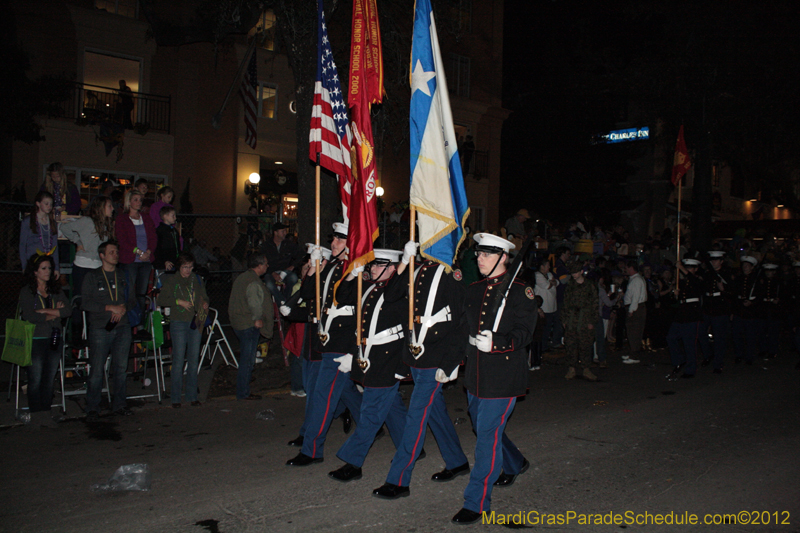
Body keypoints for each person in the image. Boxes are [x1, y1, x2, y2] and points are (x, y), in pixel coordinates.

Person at [450, 233, 535, 525]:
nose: (479, 259)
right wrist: (453, 363)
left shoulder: (521, 292)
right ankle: (515, 462)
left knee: (486, 438)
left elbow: (525, 332)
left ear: (503, 258)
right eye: (479, 254)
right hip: (475, 374)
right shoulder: (474, 290)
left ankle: (477, 502)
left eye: (486, 254)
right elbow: (463, 329)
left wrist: (498, 343)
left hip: (502, 377)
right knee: (482, 426)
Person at [373, 242, 470, 497]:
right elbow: (391, 295)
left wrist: (451, 362)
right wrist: (404, 262)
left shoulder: (450, 273)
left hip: (436, 357)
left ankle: (398, 480)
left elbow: (462, 321)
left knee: (415, 418)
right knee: (434, 411)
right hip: (415, 354)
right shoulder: (416, 269)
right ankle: (457, 460)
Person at [326, 249, 409, 484]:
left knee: (370, 414)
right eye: (372, 265)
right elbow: (341, 296)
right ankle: (410, 448)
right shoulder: (370, 289)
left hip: (388, 360)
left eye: (378, 265)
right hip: (368, 357)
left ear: (392, 268)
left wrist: (403, 365)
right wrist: (353, 273)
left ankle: (353, 462)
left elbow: (407, 331)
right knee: (392, 408)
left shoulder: (400, 292)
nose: (372, 269)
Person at [286, 224, 364, 467]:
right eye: (334, 240)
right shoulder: (330, 266)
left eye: (340, 240)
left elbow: (349, 301)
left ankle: (312, 450)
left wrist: (354, 347)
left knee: (323, 396)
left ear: (350, 243)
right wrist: (313, 268)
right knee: (346, 393)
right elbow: (309, 293)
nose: (333, 244)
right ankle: (375, 425)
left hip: (342, 342)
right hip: (326, 338)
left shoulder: (354, 268)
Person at [81, 241, 137, 420]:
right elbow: (85, 302)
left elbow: (133, 299)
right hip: (100, 328)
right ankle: (93, 407)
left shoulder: (123, 275)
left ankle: (119, 404)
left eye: (117, 251)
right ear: (102, 256)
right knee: (97, 369)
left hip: (122, 327)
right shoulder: (92, 276)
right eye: (111, 252)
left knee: (120, 368)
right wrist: (108, 307)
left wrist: (123, 307)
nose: (116, 254)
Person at [18, 254, 70, 427]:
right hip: (36, 338)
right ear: (35, 272)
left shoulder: (56, 289)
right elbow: (30, 316)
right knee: (35, 378)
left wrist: (45, 311)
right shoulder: (27, 291)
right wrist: (54, 311)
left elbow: (67, 310)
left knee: (49, 378)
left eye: (49, 268)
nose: (48, 271)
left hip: (54, 336)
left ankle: (46, 414)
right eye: (43, 268)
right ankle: (36, 415)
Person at [157, 252, 208, 407]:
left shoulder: (196, 279)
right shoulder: (172, 280)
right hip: (179, 321)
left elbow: (204, 296)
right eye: (185, 267)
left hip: (196, 320)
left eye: (190, 267)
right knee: (179, 359)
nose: (188, 270)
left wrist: (204, 303)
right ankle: (175, 397)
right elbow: (161, 299)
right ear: (179, 267)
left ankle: (192, 396)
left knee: (193, 359)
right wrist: (178, 302)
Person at [228, 252, 274, 400]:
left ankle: (245, 382)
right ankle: (243, 392)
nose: (267, 266)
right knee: (247, 360)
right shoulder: (253, 282)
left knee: (247, 358)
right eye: (265, 264)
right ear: (259, 265)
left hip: (239, 322)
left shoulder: (243, 277)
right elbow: (254, 303)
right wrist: (257, 318)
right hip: (247, 324)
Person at [60, 195, 115, 303]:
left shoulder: (105, 225)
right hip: (83, 266)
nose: (112, 208)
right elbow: (64, 227)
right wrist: (78, 242)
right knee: (81, 299)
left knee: (96, 300)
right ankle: (77, 319)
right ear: (101, 207)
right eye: (109, 206)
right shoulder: (87, 221)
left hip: (98, 266)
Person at [115, 190, 157, 320]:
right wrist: (138, 252)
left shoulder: (146, 218)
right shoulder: (122, 219)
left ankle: (139, 322)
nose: (139, 202)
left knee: (141, 293)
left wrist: (148, 252)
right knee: (129, 292)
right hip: (130, 260)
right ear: (129, 201)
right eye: (135, 199)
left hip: (145, 261)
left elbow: (153, 238)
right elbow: (122, 240)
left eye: (140, 200)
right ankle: (128, 320)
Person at [666, 259, 705, 379]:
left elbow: (696, 284)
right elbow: (673, 301)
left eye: (690, 268)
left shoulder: (698, 279)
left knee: (689, 343)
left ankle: (690, 370)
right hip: (681, 312)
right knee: (670, 337)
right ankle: (679, 360)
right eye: (686, 267)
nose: (687, 270)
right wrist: (675, 294)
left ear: (696, 269)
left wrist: (681, 268)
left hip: (692, 313)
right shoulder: (681, 282)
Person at [563, 261, 599, 381]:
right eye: (572, 272)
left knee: (586, 345)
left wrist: (592, 321)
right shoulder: (570, 285)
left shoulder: (590, 285)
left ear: (581, 272)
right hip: (572, 318)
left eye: (576, 272)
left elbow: (595, 303)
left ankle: (586, 369)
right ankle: (571, 368)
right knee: (570, 345)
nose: (573, 274)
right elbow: (565, 303)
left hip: (585, 318)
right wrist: (564, 319)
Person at [699, 251, 732, 373]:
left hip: (720, 308)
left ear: (721, 261)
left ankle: (718, 363)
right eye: (712, 260)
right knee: (701, 332)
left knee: (719, 338)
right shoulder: (708, 274)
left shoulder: (726, 274)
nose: (713, 262)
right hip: (708, 306)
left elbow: (732, 292)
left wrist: (723, 289)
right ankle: (708, 355)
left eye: (716, 260)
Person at [19, 191, 60, 278]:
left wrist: (56, 267)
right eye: (46, 204)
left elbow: (55, 245)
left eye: (51, 204)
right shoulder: (28, 221)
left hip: (47, 261)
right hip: (33, 261)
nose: (49, 206)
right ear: (38, 204)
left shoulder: (52, 223)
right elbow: (22, 244)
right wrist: (24, 265)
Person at [260, 222, 303, 304]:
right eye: (282, 231)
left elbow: (301, 255)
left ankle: (285, 300)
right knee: (269, 283)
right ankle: (283, 302)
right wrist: (272, 273)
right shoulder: (266, 245)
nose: (285, 233)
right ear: (275, 232)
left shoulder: (289, 244)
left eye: (285, 231)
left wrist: (292, 266)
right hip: (271, 271)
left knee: (293, 278)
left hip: (286, 271)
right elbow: (262, 261)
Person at [731, 256, 759, 364]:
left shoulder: (755, 279)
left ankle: (749, 356)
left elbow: (760, 296)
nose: (745, 268)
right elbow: (734, 296)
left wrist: (752, 303)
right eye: (744, 265)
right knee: (736, 334)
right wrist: (733, 311)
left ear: (752, 267)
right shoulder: (739, 279)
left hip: (750, 311)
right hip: (739, 310)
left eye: (747, 266)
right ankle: (739, 354)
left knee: (750, 336)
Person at [754, 263, 782, 360]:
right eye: (766, 271)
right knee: (762, 330)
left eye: (770, 271)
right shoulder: (762, 282)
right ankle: (763, 349)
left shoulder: (778, 282)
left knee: (772, 331)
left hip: (774, 309)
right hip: (763, 308)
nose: (768, 273)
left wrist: (778, 301)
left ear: (774, 272)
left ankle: (772, 350)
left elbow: (784, 295)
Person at [622, 259, 646, 363]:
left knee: (634, 331)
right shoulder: (634, 279)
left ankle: (634, 355)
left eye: (626, 268)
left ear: (631, 268)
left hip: (636, 308)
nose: (625, 270)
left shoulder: (637, 280)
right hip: (635, 307)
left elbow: (635, 297)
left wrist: (631, 310)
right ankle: (632, 352)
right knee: (631, 331)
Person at [533, 256, 557, 359]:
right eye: (547, 265)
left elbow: (557, 283)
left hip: (551, 306)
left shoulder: (549, 274)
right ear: (542, 266)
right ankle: (541, 349)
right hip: (544, 307)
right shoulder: (537, 276)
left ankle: (545, 346)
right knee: (542, 329)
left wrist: (552, 283)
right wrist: (552, 283)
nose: (549, 267)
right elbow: (547, 286)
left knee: (548, 328)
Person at [154, 205, 182, 273]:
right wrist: (163, 261)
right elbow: (157, 248)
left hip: (174, 261)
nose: (175, 218)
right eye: (173, 215)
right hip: (164, 263)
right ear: (165, 216)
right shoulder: (160, 231)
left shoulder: (174, 231)